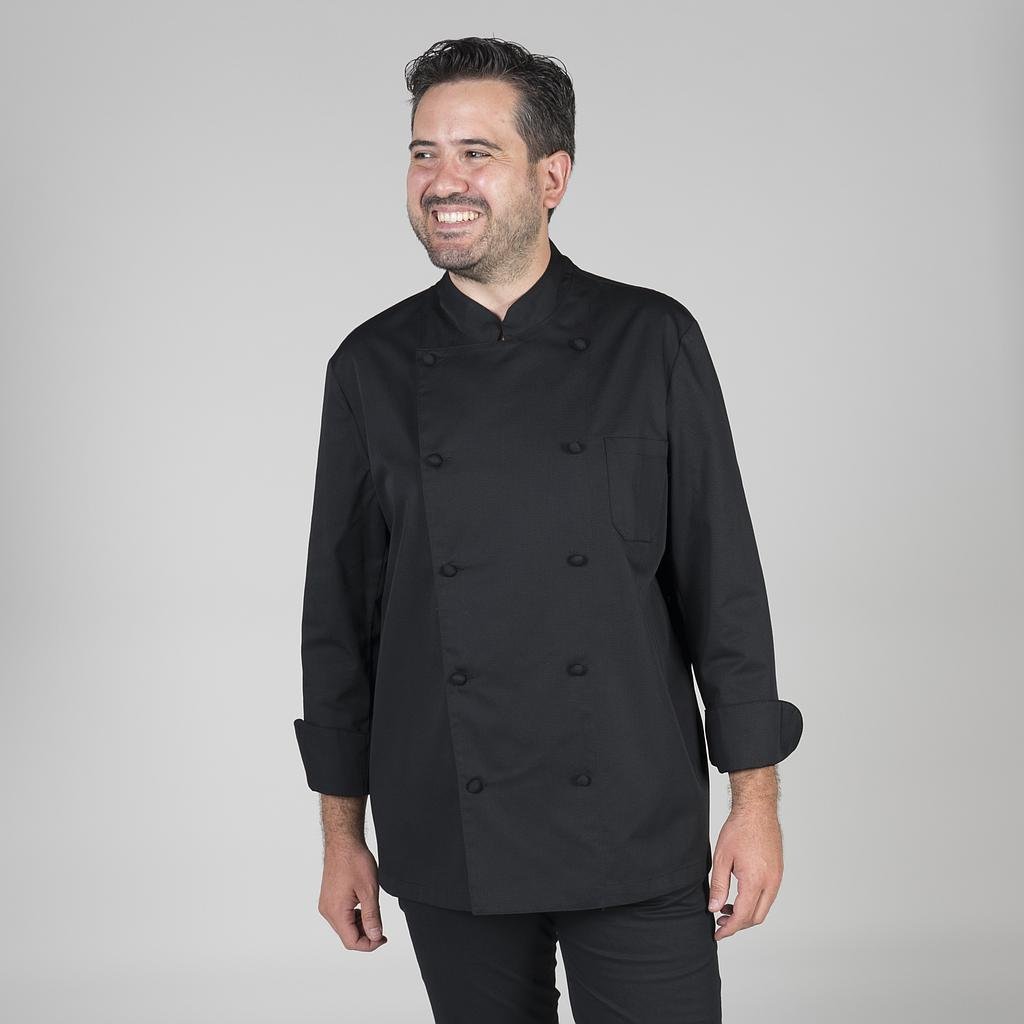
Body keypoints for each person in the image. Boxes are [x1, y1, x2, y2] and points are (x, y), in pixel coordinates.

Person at [293, 35, 803, 1023]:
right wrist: (340, 834)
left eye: (475, 153)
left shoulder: (651, 339)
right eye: (423, 153)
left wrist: (755, 804)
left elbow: (724, 588)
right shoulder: (370, 365)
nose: (442, 180)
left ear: (552, 176)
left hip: (632, 817)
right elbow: (339, 623)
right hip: (450, 822)